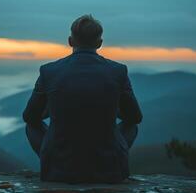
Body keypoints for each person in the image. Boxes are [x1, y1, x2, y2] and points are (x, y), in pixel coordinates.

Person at [23, 14, 142, 183]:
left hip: (59, 169)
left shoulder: (49, 71)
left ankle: (52, 162)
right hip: (108, 169)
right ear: (99, 43)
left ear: (70, 41)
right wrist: (110, 109)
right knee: (131, 126)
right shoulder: (118, 71)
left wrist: (54, 109)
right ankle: (114, 161)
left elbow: (30, 117)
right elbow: (135, 117)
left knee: (31, 126)